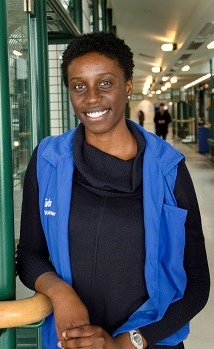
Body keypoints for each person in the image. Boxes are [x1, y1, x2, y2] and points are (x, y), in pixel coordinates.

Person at [16, 32, 210, 349]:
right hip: (71, 342)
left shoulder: (167, 168)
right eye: (79, 86)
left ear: (128, 86)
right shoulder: (49, 160)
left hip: (150, 342)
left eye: (105, 83)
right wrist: (59, 292)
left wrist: (129, 342)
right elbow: (29, 256)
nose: (91, 97)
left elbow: (197, 284)